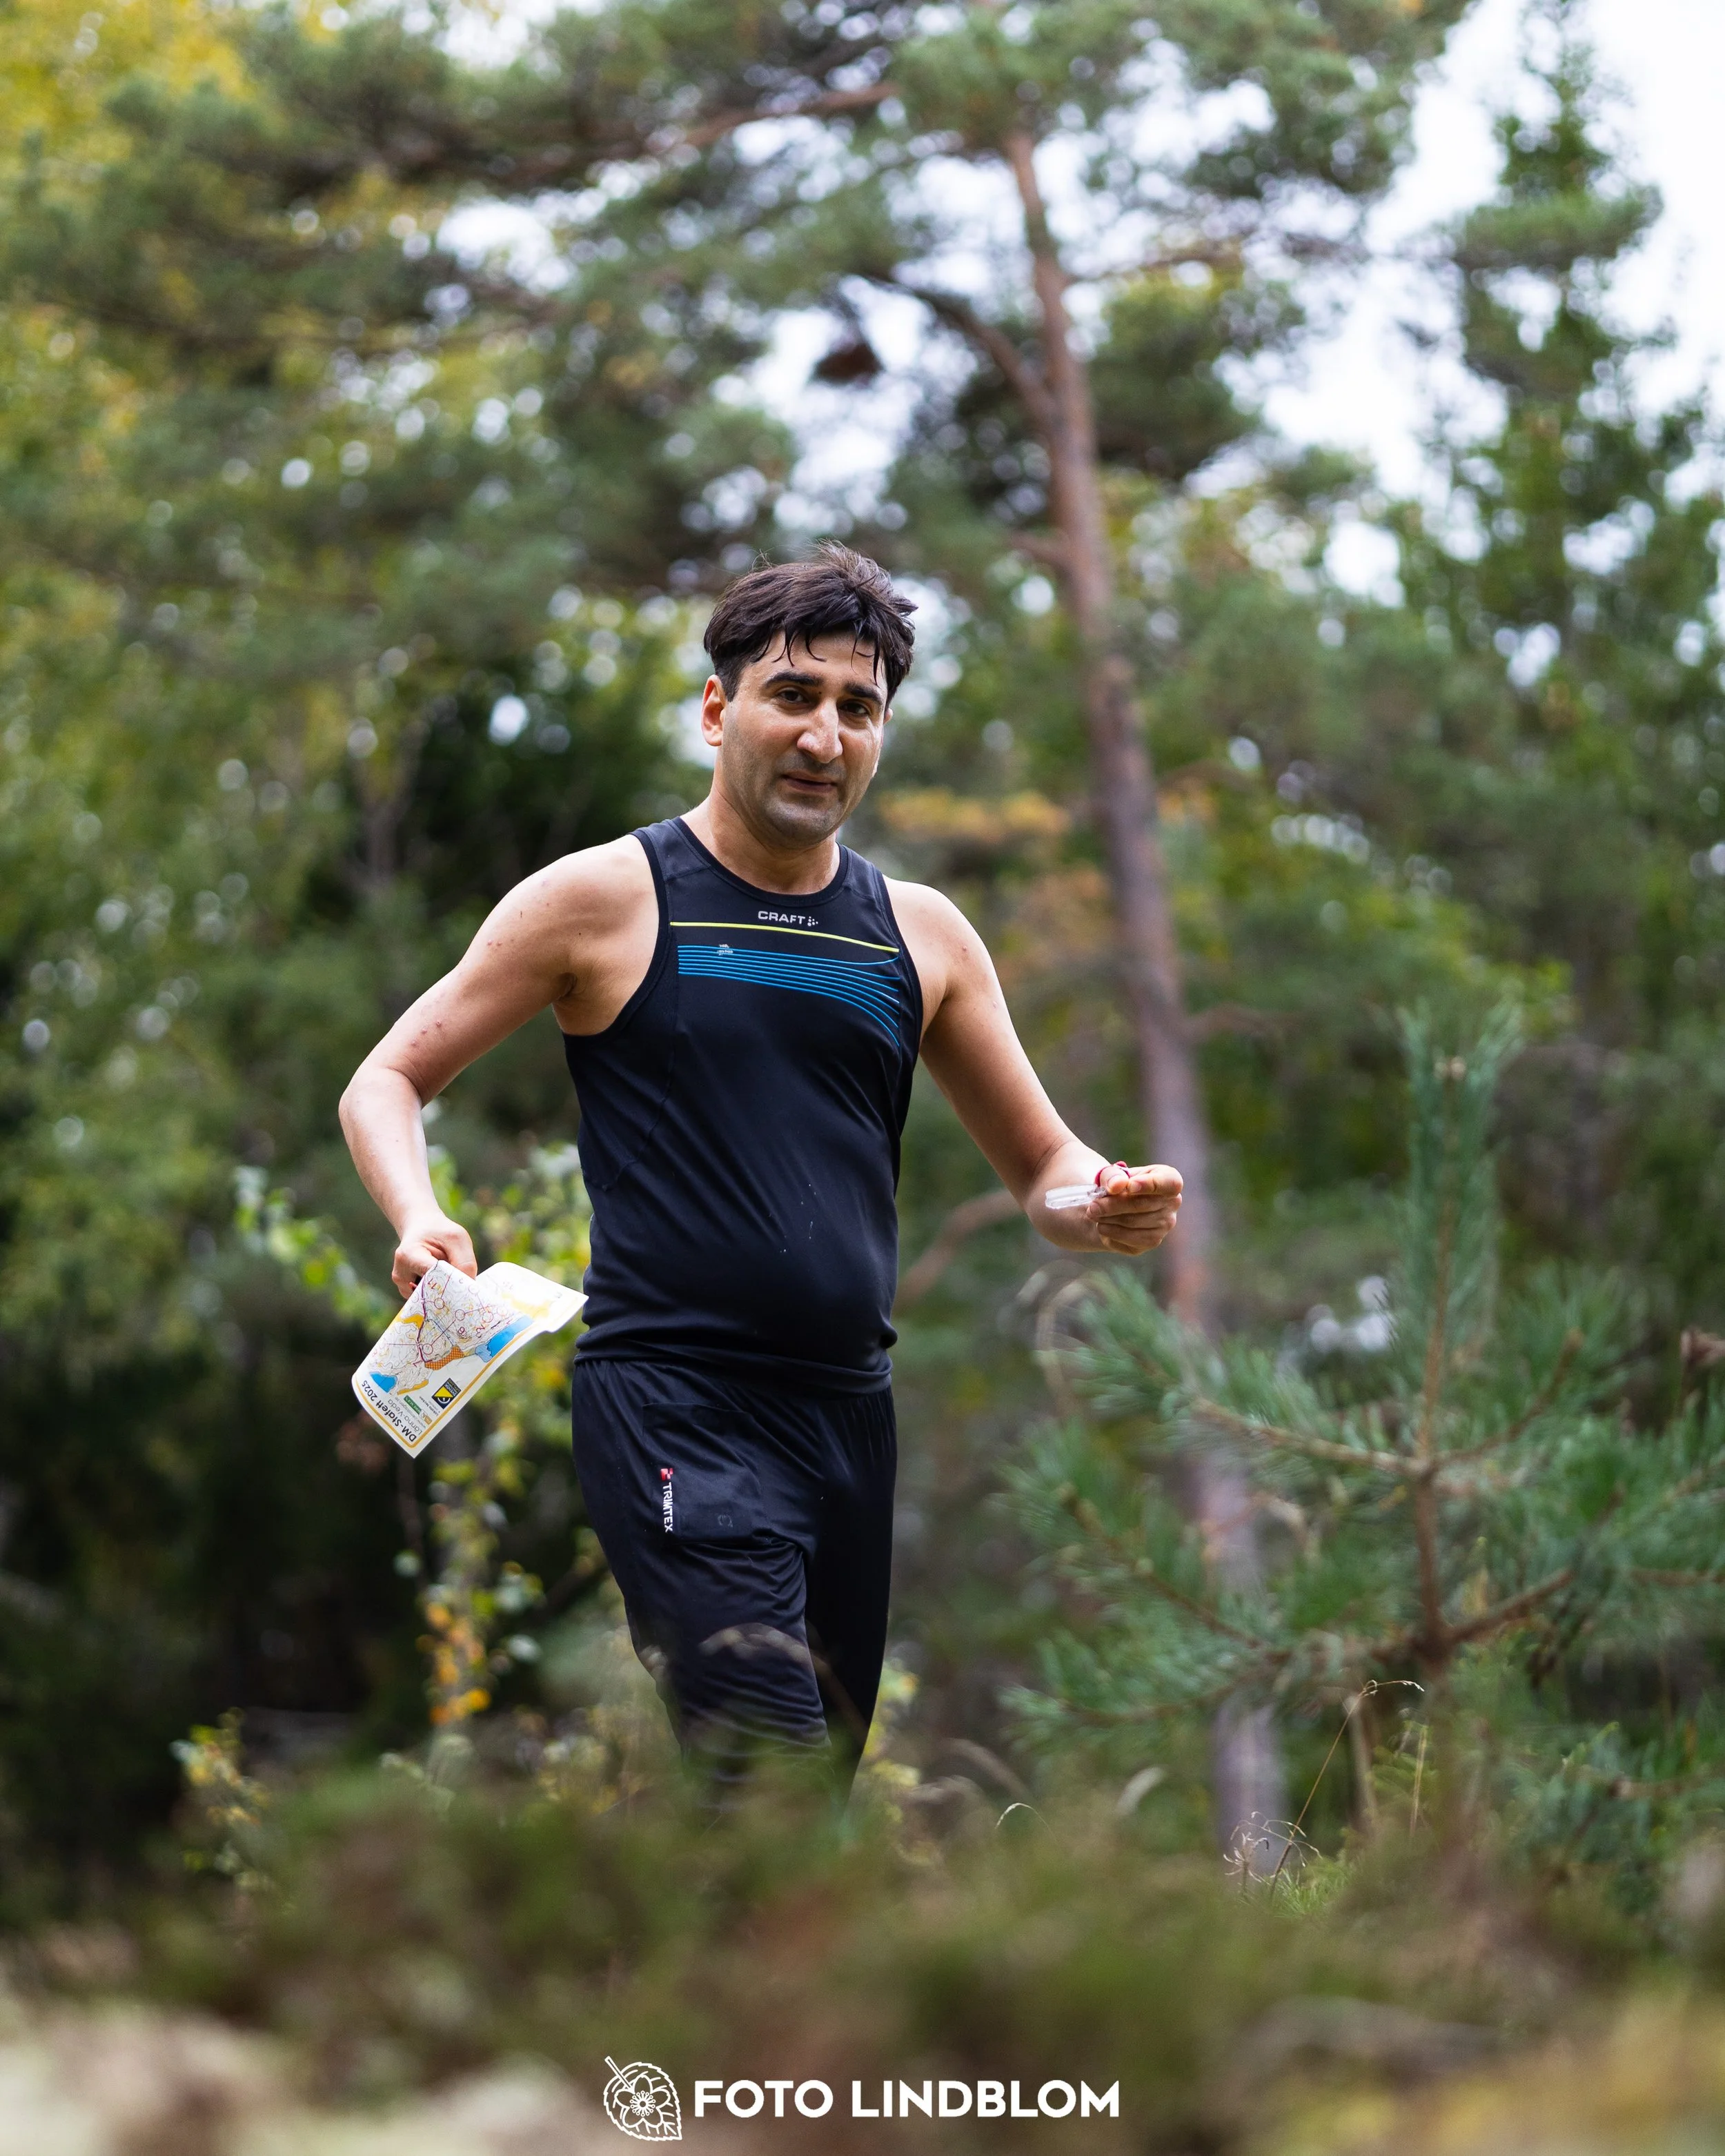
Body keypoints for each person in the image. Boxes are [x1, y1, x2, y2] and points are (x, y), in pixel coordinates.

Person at [339, 546, 1183, 1794]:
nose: (825, 736)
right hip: (675, 1402)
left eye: (860, 709)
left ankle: (645, 1981)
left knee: (796, 1819)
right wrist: (421, 1220)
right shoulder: (607, 900)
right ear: (719, 708)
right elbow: (388, 1080)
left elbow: (1045, 1167)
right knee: (772, 1776)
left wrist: (1099, 1206)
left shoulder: (922, 933)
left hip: (848, 1417)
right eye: (794, 696)